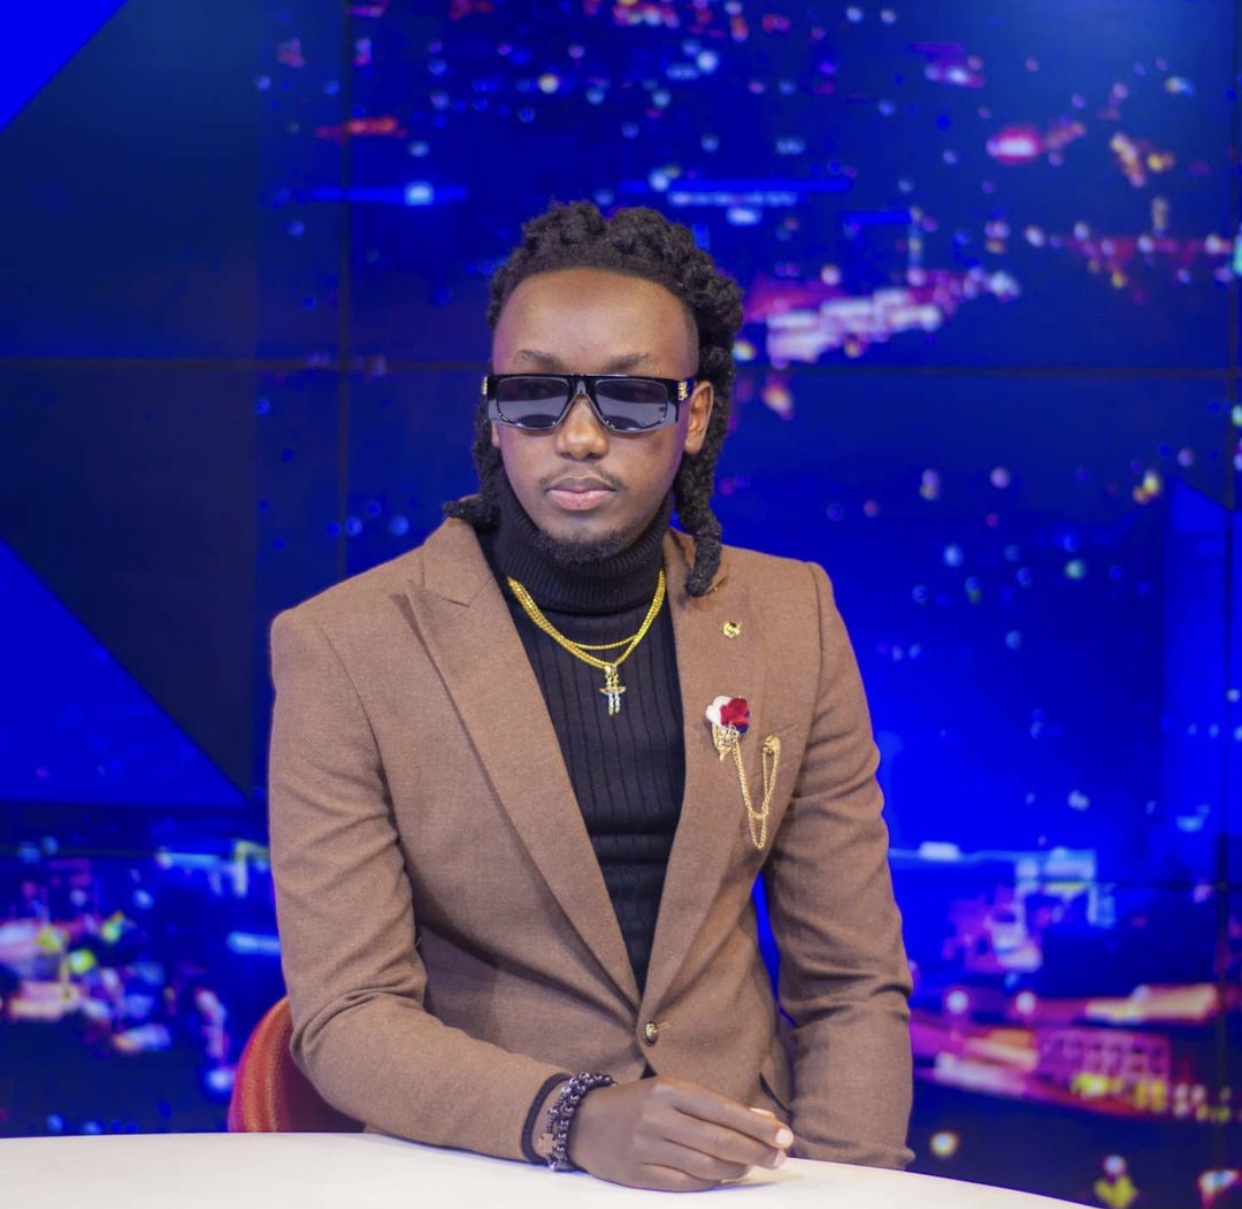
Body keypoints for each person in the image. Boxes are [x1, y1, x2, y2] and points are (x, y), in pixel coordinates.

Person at [268, 201, 913, 1191]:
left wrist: (846, 1190)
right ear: (494, 411)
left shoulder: (794, 618)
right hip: (477, 1167)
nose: (578, 436)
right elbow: (347, 1016)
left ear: (694, 417)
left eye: (630, 399)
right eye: (536, 396)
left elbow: (853, 982)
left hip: (745, 1167)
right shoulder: (345, 646)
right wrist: (572, 1119)